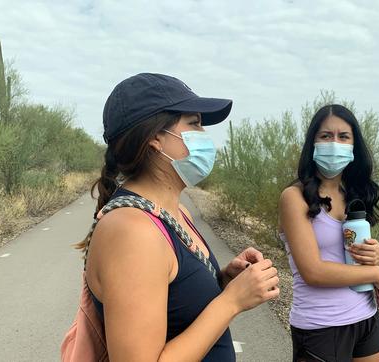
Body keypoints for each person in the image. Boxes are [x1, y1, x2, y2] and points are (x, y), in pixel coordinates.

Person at [79, 73, 279, 361]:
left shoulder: (174, 210)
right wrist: (232, 301)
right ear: (155, 138)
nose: (204, 135)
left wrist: (222, 282)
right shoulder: (132, 230)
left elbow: (173, 303)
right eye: (195, 123)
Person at [279, 104, 379, 362]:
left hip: (366, 317)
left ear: (354, 146)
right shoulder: (294, 198)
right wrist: (377, 273)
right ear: (313, 143)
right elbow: (313, 271)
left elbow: (353, 254)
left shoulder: (354, 194)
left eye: (343, 137)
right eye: (326, 136)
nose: (335, 143)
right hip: (322, 326)